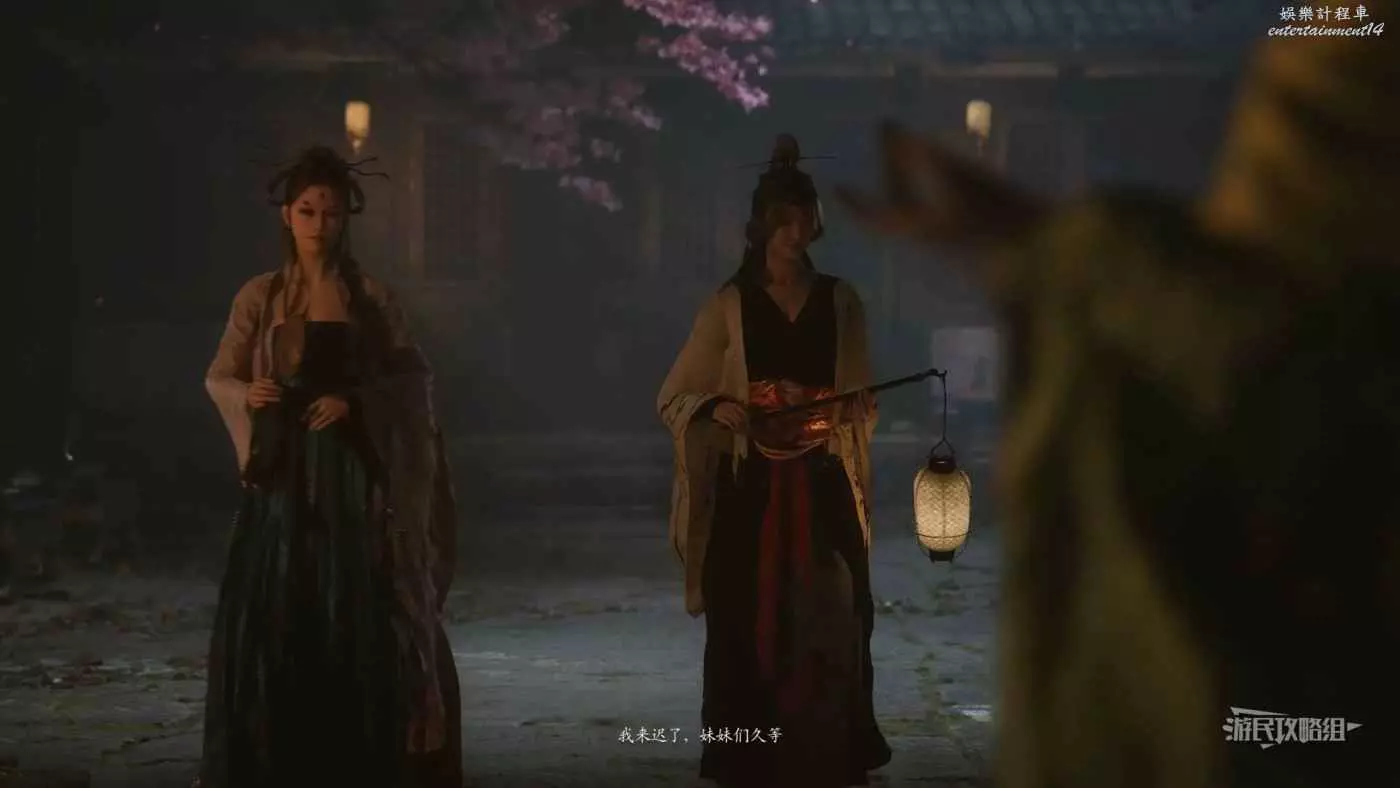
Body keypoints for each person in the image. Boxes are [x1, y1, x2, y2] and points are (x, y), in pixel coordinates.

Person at [199, 146, 461, 788]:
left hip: (352, 476)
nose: (319, 224)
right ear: (287, 216)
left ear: (346, 219)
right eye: (308, 211)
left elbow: (413, 382)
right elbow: (220, 375)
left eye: (332, 213)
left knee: (360, 607)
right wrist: (251, 392)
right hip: (284, 476)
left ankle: (360, 758)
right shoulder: (261, 296)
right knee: (279, 608)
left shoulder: (369, 297)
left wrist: (356, 402)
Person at [657, 137, 891, 788]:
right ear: (762, 226)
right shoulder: (729, 304)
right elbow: (675, 395)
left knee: (838, 611)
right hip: (752, 483)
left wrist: (839, 407)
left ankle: (830, 748)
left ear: (816, 223)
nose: (794, 233)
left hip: (822, 476)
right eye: (782, 221)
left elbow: (859, 397)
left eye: (804, 219)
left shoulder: (841, 299)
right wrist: (719, 407)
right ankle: (745, 752)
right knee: (742, 618)